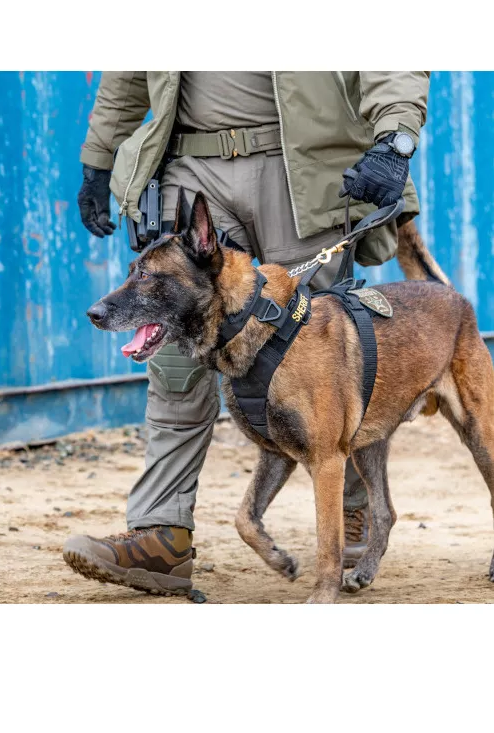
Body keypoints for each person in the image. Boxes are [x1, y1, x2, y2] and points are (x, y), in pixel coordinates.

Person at [64, 72, 431, 594]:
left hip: (305, 165)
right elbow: (129, 71)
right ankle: (160, 533)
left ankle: (353, 514)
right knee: (174, 361)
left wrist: (395, 136)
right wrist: (99, 156)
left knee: (324, 360)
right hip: (192, 162)